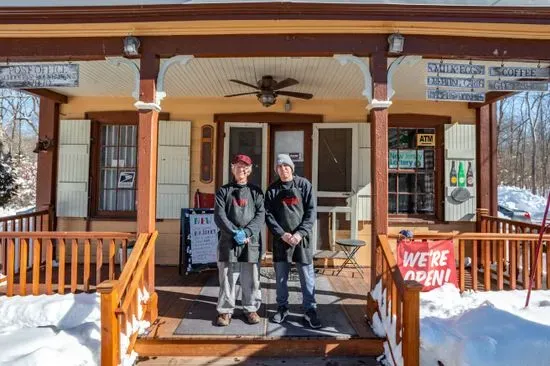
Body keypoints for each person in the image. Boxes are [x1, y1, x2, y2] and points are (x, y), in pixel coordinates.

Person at [265, 154, 321, 329]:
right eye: (279, 167)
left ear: (292, 168)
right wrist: (282, 234)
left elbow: (311, 212)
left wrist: (300, 233)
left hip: (301, 240)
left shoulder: (304, 185)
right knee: (281, 278)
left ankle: (309, 310)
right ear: (276, 170)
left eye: (286, 166)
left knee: (307, 277)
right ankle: (282, 308)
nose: (283, 169)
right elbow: (268, 215)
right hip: (281, 240)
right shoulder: (272, 190)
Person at [214, 154, 265, 326]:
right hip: (228, 241)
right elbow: (219, 216)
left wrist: (247, 232)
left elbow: (260, 215)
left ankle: (250, 309)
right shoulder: (223, 191)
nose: (241, 169)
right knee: (227, 277)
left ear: (249, 170)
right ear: (232, 168)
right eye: (237, 165)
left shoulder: (256, 192)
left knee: (250, 278)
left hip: (249, 242)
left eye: (244, 167)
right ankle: (225, 312)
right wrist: (235, 232)